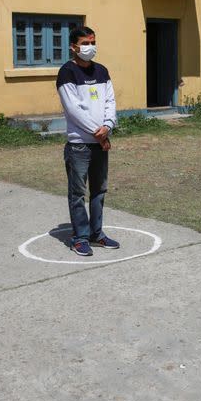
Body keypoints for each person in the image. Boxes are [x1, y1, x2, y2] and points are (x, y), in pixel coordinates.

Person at [56, 26, 119, 257]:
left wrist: (108, 126)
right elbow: (74, 110)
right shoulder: (67, 73)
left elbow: (110, 102)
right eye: (85, 43)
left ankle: (97, 234)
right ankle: (80, 237)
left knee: (99, 190)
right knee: (77, 193)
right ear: (73, 47)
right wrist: (98, 133)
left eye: (93, 41)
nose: (90, 47)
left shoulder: (102, 71)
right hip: (79, 144)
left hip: (100, 140)